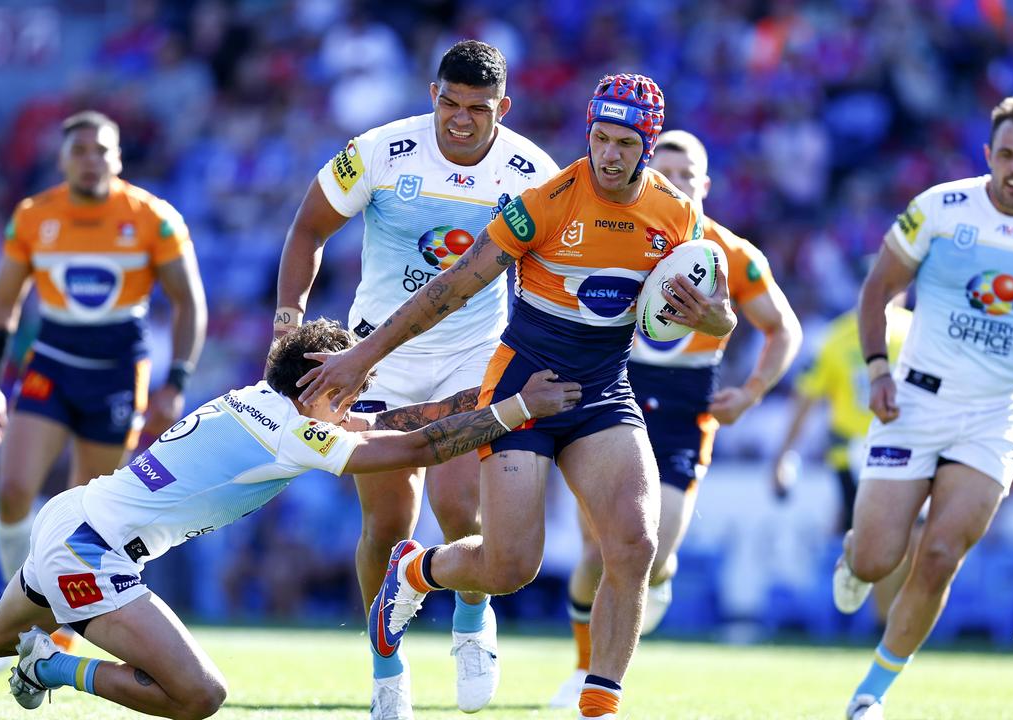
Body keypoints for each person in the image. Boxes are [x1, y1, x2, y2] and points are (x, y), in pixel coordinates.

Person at [0, 320, 581, 720]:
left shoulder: (265, 404)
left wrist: (483, 395)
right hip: (94, 550)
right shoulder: (292, 431)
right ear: (314, 385)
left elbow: (393, 419)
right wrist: (516, 411)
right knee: (201, 697)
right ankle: (55, 664)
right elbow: (411, 445)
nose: (356, 389)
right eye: (346, 379)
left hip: (77, 520)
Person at [299, 73, 737, 720]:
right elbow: (449, 288)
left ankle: (600, 703)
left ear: (648, 145)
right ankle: (417, 572)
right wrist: (363, 354)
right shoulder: (545, 200)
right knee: (509, 567)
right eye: (599, 138)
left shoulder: (677, 216)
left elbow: (721, 318)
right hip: (524, 386)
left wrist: (711, 318)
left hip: (602, 392)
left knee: (635, 544)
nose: (609, 155)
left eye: (624, 143)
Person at [272, 39, 557, 716]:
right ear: (433, 94)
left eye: (477, 108)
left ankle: (470, 618)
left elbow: (551, 273)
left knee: (461, 509)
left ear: (503, 107)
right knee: (387, 526)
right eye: (449, 103)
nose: (460, 119)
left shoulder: (530, 172)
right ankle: (386, 664)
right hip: (374, 357)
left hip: (471, 355)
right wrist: (288, 323)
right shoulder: (378, 151)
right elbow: (308, 229)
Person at [835, 96, 1013, 720]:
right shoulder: (940, 208)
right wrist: (878, 369)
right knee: (878, 557)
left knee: (939, 556)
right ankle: (857, 555)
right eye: (1007, 155)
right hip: (915, 399)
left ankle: (871, 695)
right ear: (988, 155)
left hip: (995, 414)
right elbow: (879, 289)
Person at [550, 129, 802, 708]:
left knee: (653, 556)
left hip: (686, 411)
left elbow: (784, 328)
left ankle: (654, 582)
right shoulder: (620, 234)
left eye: (687, 175)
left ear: (705, 184)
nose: (676, 185)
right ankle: (587, 669)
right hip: (614, 398)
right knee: (599, 553)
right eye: (666, 175)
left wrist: (754, 389)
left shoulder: (731, 253)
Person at [0, 111, 208, 646]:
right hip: (51, 364)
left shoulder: (152, 217)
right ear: (61, 159)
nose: (90, 160)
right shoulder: (35, 216)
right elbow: (1, 305)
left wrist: (176, 381)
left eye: (100, 150)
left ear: (118, 157)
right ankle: (10, 622)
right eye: (79, 150)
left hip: (117, 376)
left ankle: (57, 633)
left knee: (85, 515)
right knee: (12, 491)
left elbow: (189, 303)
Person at [771, 303, 916, 627]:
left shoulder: (916, 330)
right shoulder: (836, 336)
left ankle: (888, 619)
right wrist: (783, 453)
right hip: (854, 454)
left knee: (908, 540)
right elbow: (806, 397)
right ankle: (884, 624)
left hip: (908, 449)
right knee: (884, 540)